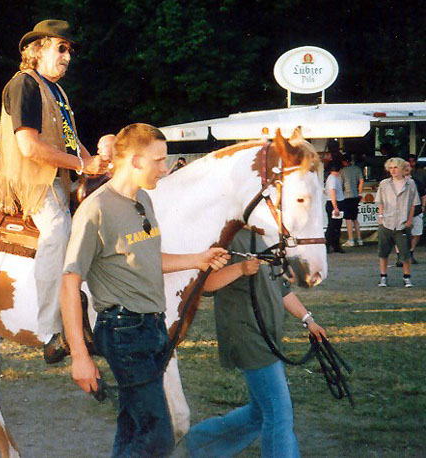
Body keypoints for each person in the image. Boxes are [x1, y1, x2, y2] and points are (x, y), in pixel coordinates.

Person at [60, 123, 230, 457]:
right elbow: (69, 283)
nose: (165, 168)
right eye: (159, 160)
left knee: (134, 427)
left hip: (152, 327)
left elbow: (149, 258)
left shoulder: (144, 201)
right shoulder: (96, 210)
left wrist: (199, 259)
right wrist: (79, 356)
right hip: (124, 330)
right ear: (135, 161)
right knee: (157, 434)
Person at [0, 19, 108, 362]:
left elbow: (71, 140)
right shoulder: (24, 85)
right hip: (29, 182)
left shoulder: (56, 91)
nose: (68, 56)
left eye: (69, 50)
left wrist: (98, 163)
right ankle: (48, 329)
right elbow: (28, 147)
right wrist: (83, 166)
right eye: (61, 47)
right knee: (57, 231)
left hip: (57, 181)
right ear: (37, 49)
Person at [182, 228, 327, 458]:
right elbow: (205, 283)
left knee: (260, 412)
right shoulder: (226, 236)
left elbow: (282, 289)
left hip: (268, 337)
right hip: (247, 336)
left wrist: (308, 320)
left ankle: (199, 444)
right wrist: (240, 268)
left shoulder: (265, 235)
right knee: (279, 413)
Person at [375, 157, 419, 287]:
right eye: (390, 168)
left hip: (403, 223)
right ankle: (383, 276)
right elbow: (380, 201)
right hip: (387, 222)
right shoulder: (384, 184)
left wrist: (410, 220)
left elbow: (413, 204)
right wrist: (381, 216)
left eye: (395, 167)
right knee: (383, 251)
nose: (393, 170)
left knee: (405, 253)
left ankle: (407, 277)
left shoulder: (410, 184)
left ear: (401, 169)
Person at [340, 154, 364, 247]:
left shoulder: (343, 171)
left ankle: (351, 239)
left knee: (348, 219)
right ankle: (359, 239)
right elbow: (362, 180)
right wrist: (360, 192)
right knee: (355, 219)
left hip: (347, 196)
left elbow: (341, 185)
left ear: (344, 162)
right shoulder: (357, 169)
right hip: (356, 196)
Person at [406, 159, 425, 264]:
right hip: (402, 212)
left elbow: (423, 194)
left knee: (417, 233)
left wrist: (423, 206)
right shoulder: (393, 183)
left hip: (417, 211)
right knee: (401, 234)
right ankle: (401, 255)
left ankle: (411, 252)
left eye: (408, 166)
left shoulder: (416, 181)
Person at [324, 160, 345, 253]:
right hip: (335, 203)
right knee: (333, 226)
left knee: (335, 225)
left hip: (332, 202)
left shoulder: (330, 178)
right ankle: (329, 244)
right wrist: (335, 207)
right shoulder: (333, 179)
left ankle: (334, 245)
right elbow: (333, 192)